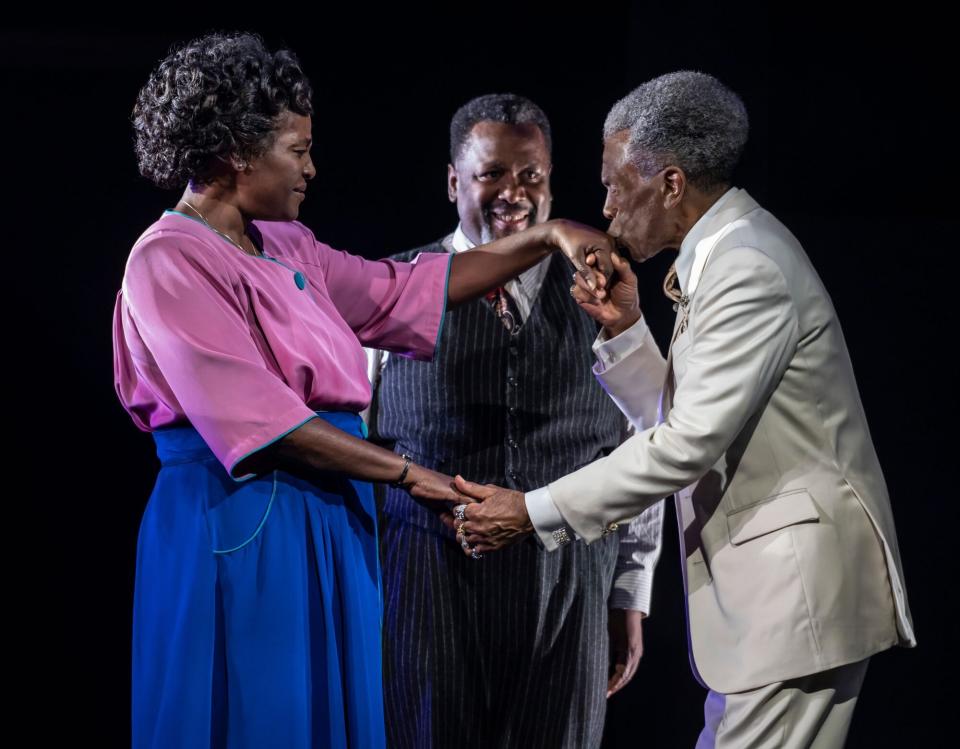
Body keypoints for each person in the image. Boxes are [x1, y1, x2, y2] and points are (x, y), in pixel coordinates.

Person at [113, 32, 613, 749]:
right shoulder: (167, 258)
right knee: (260, 712)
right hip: (243, 517)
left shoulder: (286, 244)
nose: (311, 168)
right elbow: (270, 425)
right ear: (235, 151)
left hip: (328, 513)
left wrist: (549, 237)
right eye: (296, 149)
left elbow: (409, 287)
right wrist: (415, 475)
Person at [453, 71, 915, 748]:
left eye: (615, 183)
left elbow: (685, 446)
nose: (606, 207)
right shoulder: (725, 256)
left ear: (671, 184)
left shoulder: (747, 266)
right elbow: (689, 422)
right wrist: (627, 332)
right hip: (775, 604)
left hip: (798, 598)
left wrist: (531, 511)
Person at [368, 93, 664, 748]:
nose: (514, 193)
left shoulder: (601, 289)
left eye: (531, 176)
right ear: (453, 181)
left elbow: (646, 441)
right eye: (491, 174)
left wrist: (630, 591)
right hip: (428, 583)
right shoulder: (394, 290)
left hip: (571, 585)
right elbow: (353, 442)